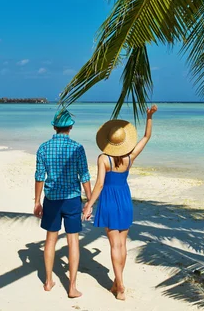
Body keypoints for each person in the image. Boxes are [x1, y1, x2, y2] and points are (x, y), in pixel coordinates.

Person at [83, 104, 158, 300]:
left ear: (108, 141)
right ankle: (117, 282)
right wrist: (149, 117)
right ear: (124, 141)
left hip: (108, 200)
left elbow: (99, 184)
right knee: (122, 245)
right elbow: (146, 137)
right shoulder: (130, 157)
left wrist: (89, 205)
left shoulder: (103, 159)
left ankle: (121, 285)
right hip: (124, 199)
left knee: (114, 245)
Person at [34, 109, 92, 298]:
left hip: (51, 199)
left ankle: (49, 281)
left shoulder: (43, 147)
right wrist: (89, 201)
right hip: (72, 199)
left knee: (50, 240)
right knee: (73, 241)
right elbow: (84, 176)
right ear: (70, 127)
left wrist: (36, 201)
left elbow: (39, 177)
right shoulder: (78, 148)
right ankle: (72, 286)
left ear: (54, 126)